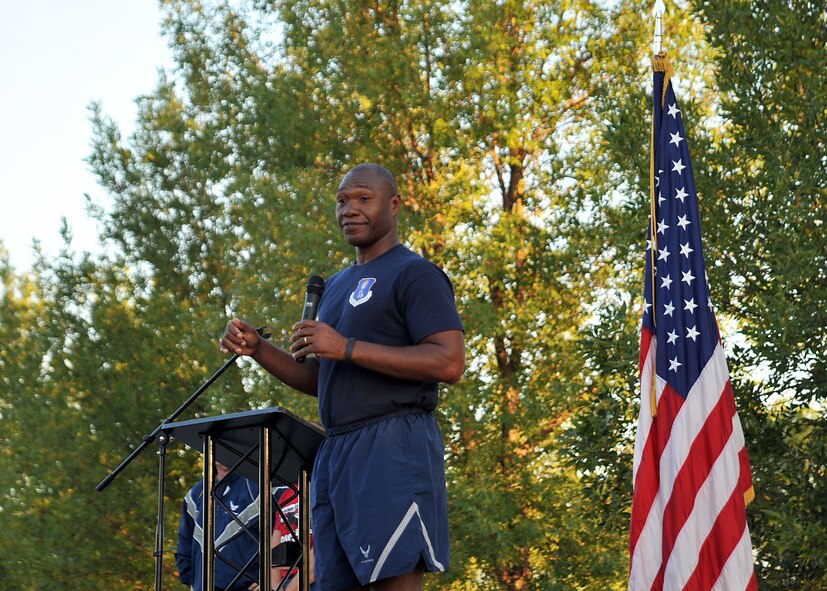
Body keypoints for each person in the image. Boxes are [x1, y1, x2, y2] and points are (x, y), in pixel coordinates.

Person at [219, 163, 465, 591]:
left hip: (392, 445)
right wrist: (259, 349)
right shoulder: (334, 287)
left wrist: (346, 347)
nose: (350, 209)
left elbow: (449, 362)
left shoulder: (416, 274)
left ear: (394, 205)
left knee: (392, 576)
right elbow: (323, 380)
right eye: (342, 201)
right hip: (335, 453)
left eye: (363, 199)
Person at [175, 462, 261, 591]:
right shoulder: (195, 495)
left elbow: (280, 533)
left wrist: (268, 575)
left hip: (247, 586)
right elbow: (184, 544)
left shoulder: (259, 485)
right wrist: (190, 581)